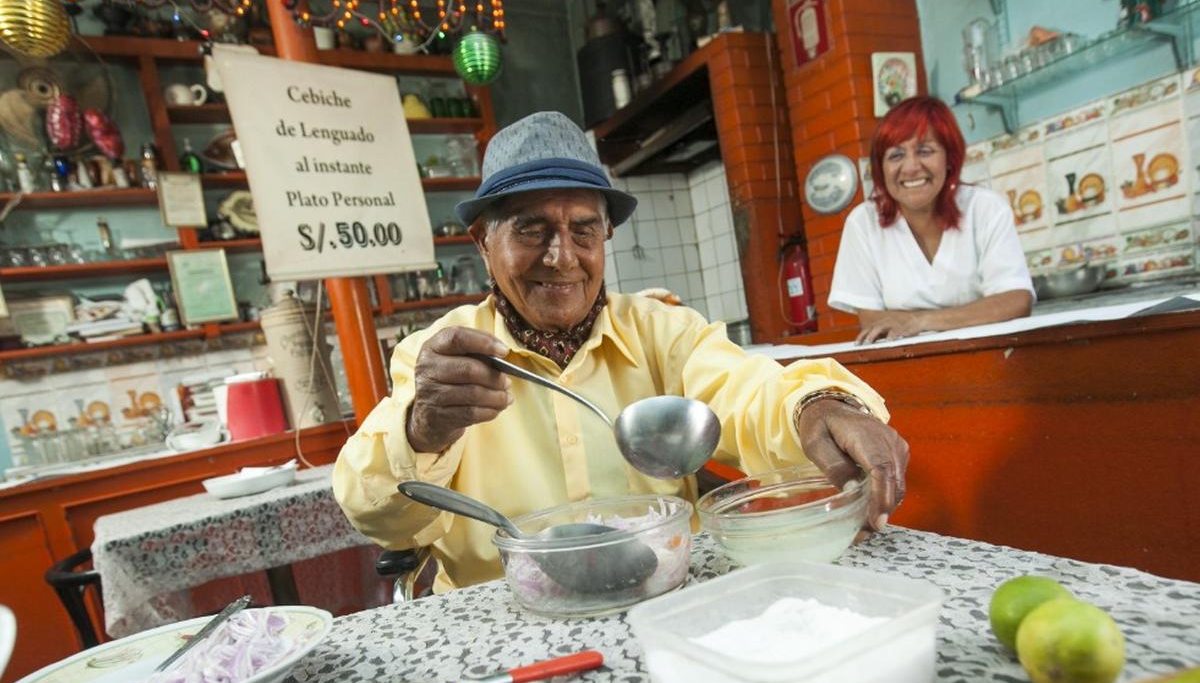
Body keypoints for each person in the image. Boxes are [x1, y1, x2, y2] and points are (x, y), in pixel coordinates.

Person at [334, 111, 908, 592]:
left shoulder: (660, 332)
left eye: (583, 230)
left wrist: (819, 406)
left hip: (661, 600)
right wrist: (421, 431)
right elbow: (376, 515)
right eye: (532, 230)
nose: (561, 256)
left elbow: (747, 390)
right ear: (484, 240)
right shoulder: (440, 358)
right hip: (506, 622)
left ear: (606, 235)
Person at [829, 96, 1035, 344]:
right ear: (880, 169)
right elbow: (872, 319)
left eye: (925, 151)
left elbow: (1015, 300)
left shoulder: (985, 208)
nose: (911, 167)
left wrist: (919, 321)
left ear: (950, 159)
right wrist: (972, 313)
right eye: (895, 155)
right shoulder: (863, 223)